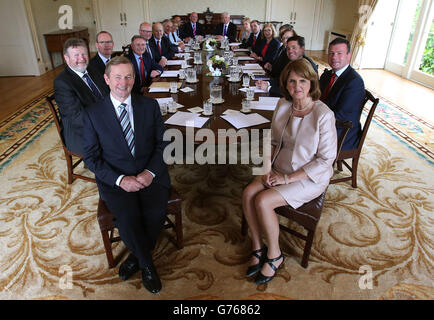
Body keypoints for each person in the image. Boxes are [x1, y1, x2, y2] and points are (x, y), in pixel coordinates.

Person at [242, 59, 337, 285]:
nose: (297, 87)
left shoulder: (323, 114)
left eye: (302, 81)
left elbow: (326, 161)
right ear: (286, 83)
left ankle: (275, 254)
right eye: (292, 81)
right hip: (278, 167)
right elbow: (272, 141)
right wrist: (265, 167)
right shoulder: (283, 105)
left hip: (308, 177)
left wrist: (287, 178)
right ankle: (257, 246)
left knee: (263, 201)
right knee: (248, 193)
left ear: (311, 82)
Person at [82, 56, 170, 294]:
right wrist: (121, 180)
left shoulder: (149, 106)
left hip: (151, 174)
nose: (124, 82)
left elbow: (164, 145)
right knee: (129, 219)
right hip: (116, 180)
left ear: (134, 78)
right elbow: (91, 158)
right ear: (107, 79)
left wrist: (150, 172)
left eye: (129, 76)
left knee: (154, 214)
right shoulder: (92, 114)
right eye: (118, 77)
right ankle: (147, 264)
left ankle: (135, 257)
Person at [53, 37, 109, 155]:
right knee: (121, 144)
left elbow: (107, 94)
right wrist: (108, 121)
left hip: (102, 119)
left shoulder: (93, 70)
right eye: (76, 55)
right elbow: (77, 118)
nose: (82, 59)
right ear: (66, 58)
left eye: (84, 54)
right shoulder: (62, 82)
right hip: (82, 134)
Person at [320, 38, 365, 151]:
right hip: (326, 121)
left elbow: (341, 116)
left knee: (301, 136)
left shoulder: (354, 82)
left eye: (339, 53)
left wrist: (313, 119)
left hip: (342, 132)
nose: (334, 57)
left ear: (349, 56)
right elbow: (317, 99)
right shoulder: (327, 75)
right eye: (331, 53)